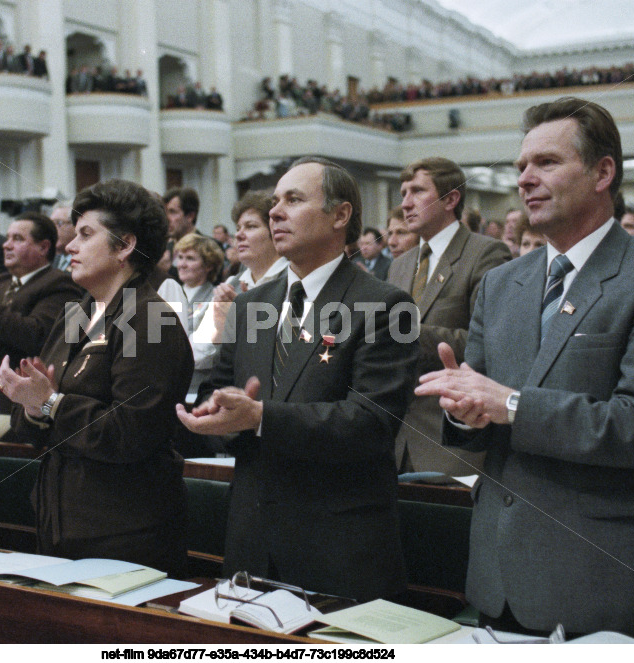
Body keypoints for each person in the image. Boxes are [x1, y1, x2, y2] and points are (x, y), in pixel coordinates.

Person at [417, 97, 634, 638]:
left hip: (601, 578)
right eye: (521, 167)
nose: (525, 179)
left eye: (546, 163)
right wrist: (464, 412)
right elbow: (479, 417)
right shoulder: (503, 283)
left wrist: (507, 405)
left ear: (603, 172)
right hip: (499, 576)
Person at [177, 157, 416, 601]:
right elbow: (220, 391)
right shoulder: (251, 306)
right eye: (274, 202)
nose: (275, 212)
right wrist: (214, 414)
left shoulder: (383, 304)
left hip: (337, 551)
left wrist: (260, 417)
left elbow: (370, 423)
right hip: (252, 545)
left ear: (341, 215)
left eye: (294, 199)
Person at [0, 179, 193, 576]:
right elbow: (32, 425)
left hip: (123, 532)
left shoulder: (150, 318)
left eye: (86, 235)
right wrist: (33, 406)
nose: (68, 245)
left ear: (124, 246)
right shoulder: (76, 313)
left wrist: (50, 403)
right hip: (58, 519)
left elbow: (130, 432)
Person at [387, 157, 510, 479]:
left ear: (451, 199)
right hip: (393, 439)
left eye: (416, 191)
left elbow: (491, 344)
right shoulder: (400, 264)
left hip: (451, 440)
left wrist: (404, 331)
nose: (406, 203)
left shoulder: (486, 253)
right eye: (403, 193)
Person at [0, 212, 83, 415]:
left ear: (44, 247)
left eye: (18, 239)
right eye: (7, 238)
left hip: (20, 409)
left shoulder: (60, 283)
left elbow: (36, 336)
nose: (6, 245)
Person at [158, 233, 224, 399]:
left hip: (196, 389)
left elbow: (205, 351)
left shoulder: (215, 298)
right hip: (164, 385)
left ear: (208, 265)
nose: (182, 264)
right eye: (180, 257)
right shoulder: (168, 291)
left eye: (190, 258)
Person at [50, 202, 75, 270]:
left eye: (58, 223)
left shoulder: (84, 261)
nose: (52, 229)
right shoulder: (51, 260)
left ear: (75, 226)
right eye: (51, 224)